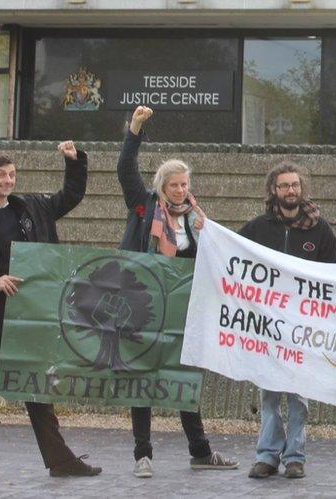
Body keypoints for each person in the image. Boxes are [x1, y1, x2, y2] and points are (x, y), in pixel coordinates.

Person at [117, 105, 238, 478]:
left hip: (184, 310)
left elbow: (210, 259)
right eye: (174, 185)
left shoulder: (197, 218)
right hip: (146, 304)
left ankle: (199, 451)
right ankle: (143, 453)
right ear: (161, 187)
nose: (181, 190)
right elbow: (125, 169)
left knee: (183, 377)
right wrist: (135, 128)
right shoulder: (144, 207)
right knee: (144, 375)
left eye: (185, 184)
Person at [0, 144, 101, 477]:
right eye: (1, 174)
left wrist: (74, 161)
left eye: (12, 174)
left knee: (35, 386)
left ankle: (60, 460)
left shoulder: (30, 208)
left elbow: (71, 196)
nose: (8, 180)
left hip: (29, 315)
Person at [239, 161, 336, 480]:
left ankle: (295, 456)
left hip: (304, 325)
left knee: (298, 394)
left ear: (301, 188)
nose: (290, 190)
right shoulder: (258, 227)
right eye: (284, 185)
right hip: (268, 325)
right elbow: (231, 254)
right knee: (269, 393)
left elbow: (331, 277)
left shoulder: (319, 229)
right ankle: (267, 455)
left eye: (295, 185)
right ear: (274, 189)